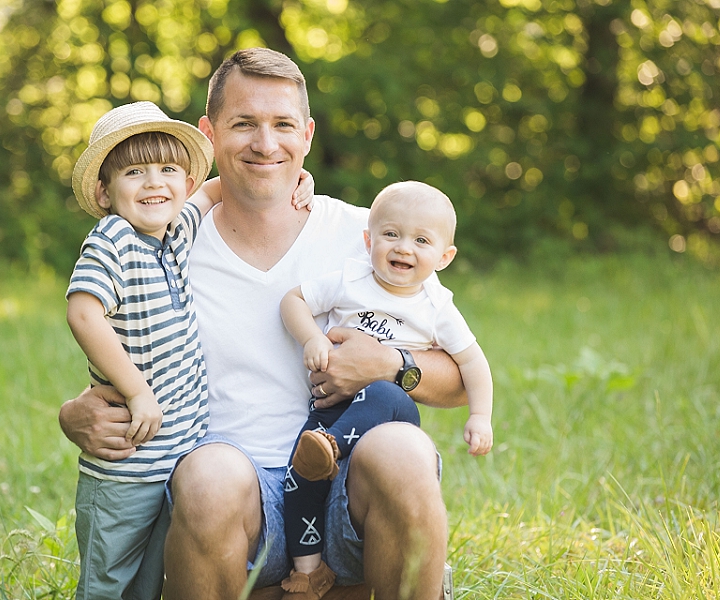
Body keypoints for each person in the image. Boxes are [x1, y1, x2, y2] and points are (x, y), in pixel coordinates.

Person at [59, 48, 468, 600]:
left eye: (283, 126)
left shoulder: (372, 236)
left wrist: (394, 364)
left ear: (307, 134)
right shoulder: (168, 241)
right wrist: (75, 413)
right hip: (238, 503)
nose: (266, 144)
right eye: (244, 124)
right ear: (209, 132)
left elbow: (461, 377)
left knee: (404, 450)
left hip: (350, 491)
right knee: (208, 479)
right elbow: (118, 340)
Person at [64, 100, 314, 599]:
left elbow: (220, 187)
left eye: (168, 170)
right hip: (128, 462)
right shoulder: (112, 239)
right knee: (109, 581)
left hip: (173, 461)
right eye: (135, 172)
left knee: (150, 582)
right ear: (103, 191)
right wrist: (137, 391)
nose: (155, 183)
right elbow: (84, 313)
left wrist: (295, 179)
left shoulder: (175, 234)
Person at [278, 180, 494, 598]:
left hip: (389, 415)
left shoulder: (436, 306)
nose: (403, 248)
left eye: (421, 240)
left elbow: (473, 363)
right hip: (330, 412)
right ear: (368, 239)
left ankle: (330, 447)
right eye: (391, 234)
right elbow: (293, 301)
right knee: (299, 476)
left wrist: (480, 416)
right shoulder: (350, 279)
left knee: (384, 392)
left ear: (444, 256)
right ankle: (309, 573)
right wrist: (313, 339)